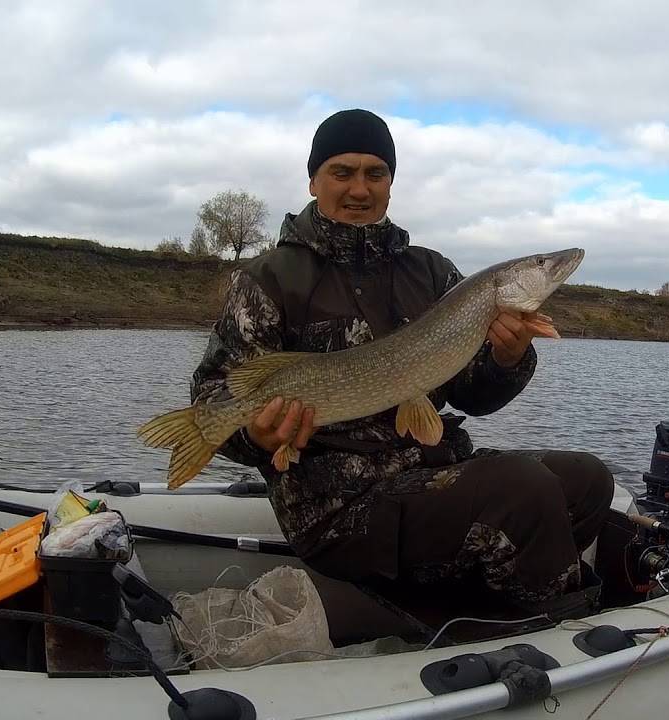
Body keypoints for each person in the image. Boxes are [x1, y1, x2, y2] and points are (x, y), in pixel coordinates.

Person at [191, 109, 614, 616]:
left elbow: (475, 396)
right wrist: (258, 436)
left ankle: (471, 605)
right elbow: (214, 396)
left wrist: (508, 355)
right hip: (338, 509)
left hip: (432, 474)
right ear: (313, 180)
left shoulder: (432, 272)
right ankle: (545, 629)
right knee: (525, 490)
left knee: (588, 479)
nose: (359, 188)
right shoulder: (270, 279)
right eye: (342, 172)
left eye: (375, 173)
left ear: (390, 182)